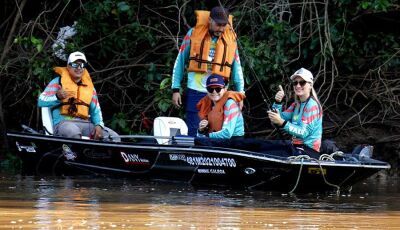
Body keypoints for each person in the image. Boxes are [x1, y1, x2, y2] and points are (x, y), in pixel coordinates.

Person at [171, 6, 245, 136]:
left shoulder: (230, 38)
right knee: (194, 131)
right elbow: (180, 60)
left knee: (217, 133)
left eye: (224, 25)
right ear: (210, 20)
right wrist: (175, 89)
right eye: (218, 24)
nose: (221, 29)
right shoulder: (193, 34)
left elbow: (237, 67)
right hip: (196, 91)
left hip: (219, 94)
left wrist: (240, 93)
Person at [38, 51, 120, 141]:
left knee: (114, 137)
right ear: (68, 66)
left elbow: (96, 110)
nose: (79, 68)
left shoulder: (90, 88)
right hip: (63, 123)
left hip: (85, 124)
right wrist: (57, 97)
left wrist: (99, 125)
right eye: (75, 65)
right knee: (73, 132)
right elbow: (41, 101)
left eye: (82, 65)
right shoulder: (57, 82)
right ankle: (73, 154)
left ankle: (100, 154)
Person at [267, 68, 322, 156]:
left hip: (309, 151)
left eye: (302, 82)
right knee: (264, 146)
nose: (298, 86)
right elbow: (278, 118)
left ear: (310, 85)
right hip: (296, 147)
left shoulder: (312, 106)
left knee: (270, 153)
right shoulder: (296, 105)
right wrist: (278, 102)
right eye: (295, 83)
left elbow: (303, 133)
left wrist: (282, 123)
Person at [196, 74, 245, 139]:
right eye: (210, 89)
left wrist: (207, 136)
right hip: (216, 140)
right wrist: (201, 130)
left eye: (218, 89)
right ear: (207, 90)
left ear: (224, 89)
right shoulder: (207, 105)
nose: (214, 92)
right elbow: (200, 136)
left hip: (233, 141)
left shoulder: (230, 104)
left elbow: (227, 133)